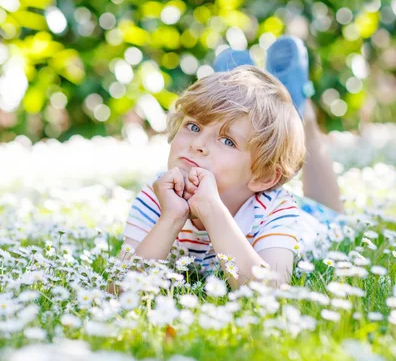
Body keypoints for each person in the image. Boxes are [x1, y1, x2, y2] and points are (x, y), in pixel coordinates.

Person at [115, 36, 343, 291]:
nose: (197, 144)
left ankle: (302, 113)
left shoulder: (276, 210)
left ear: (264, 177)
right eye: (193, 125)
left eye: (227, 141)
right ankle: (243, 96)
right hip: (244, 185)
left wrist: (212, 210)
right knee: (242, 118)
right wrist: (171, 218)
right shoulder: (157, 196)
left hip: (310, 220)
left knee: (335, 215)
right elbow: (118, 291)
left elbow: (270, 293)